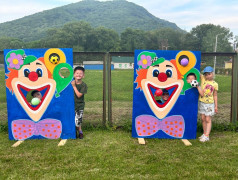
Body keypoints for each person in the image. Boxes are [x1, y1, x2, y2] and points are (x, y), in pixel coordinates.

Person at [197, 66, 218, 142]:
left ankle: (207, 136)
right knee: (203, 119)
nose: (207, 76)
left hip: (209, 104)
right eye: (206, 74)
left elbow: (215, 95)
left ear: (212, 74)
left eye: (209, 74)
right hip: (202, 103)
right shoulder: (203, 79)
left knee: (208, 119)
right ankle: (204, 133)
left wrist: (216, 106)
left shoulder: (215, 84)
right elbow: (198, 73)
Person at [71, 66, 88, 139]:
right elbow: (61, 78)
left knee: (78, 122)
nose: (78, 75)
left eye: (81, 73)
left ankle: (80, 131)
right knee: (71, 119)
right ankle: (73, 131)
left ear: (83, 76)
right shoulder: (71, 82)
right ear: (74, 74)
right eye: (77, 73)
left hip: (79, 106)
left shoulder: (84, 85)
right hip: (71, 105)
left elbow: (78, 95)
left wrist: (74, 86)